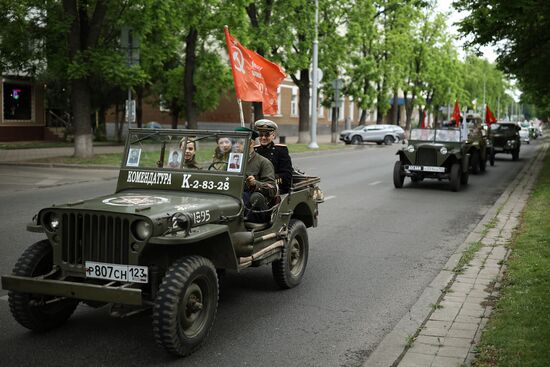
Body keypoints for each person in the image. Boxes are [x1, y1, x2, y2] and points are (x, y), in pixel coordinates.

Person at [235, 127, 276, 223]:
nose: (236, 145)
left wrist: (255, 183)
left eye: (241, 142)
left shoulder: (263, 162)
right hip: (233, 200)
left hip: (254, 207)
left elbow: (272, 189)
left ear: (251, 143)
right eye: (235, 142)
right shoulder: (233, 160)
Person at [254, 119, 293, 194]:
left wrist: (267, 181)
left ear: (273, 136)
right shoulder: (255, 150)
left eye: (267, 135)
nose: (263, 138)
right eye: (261, 135)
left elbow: (287, 175)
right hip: (255, 186)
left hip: (274, 188)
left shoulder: (281, 150)